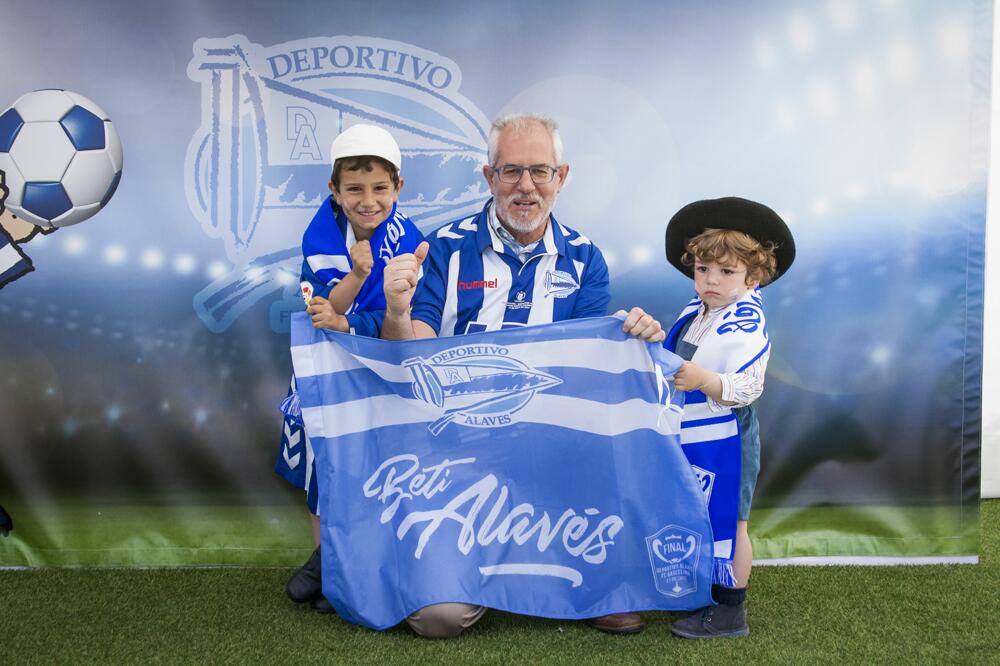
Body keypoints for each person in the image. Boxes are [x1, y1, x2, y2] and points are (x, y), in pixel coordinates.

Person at [379, 112, 665, 638]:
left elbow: (590, 368)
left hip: (550, 447)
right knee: (438, 620)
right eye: (511, 171)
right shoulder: (442, 249)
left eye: (540, 171)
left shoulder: (585, 260)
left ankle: (592, 578)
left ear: (562, 176)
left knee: (618, 440)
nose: (526, 186)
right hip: (458, 451)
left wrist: (634, 336)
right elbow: (410, 360)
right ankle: (472, 560)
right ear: (489, 178)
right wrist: (395, 313)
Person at [275, 124, 423, 613]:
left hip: (379, 359)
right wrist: (357, 277)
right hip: (328, 363)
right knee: (325, 466)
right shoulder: (321, 233)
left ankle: (352, 563)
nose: (368, 200)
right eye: (354, 189)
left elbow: (393, 319)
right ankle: (327, 561)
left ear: (398, 189)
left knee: (373, 465)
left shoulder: (409, 237)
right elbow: (326, 310)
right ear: (334, 191)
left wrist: (349, 317)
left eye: (380, 188)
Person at [661, 197, 795, 639]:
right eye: (703, 269)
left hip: (728, 434)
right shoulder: (698, 311)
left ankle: (731, 608)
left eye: (726, 271)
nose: (711, 280)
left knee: (732, 518)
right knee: (696, 510)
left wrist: (704, 379)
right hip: (692, 427)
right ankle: (704, 589)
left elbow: (748, 387)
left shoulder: (745, 320)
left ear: (753, 275)